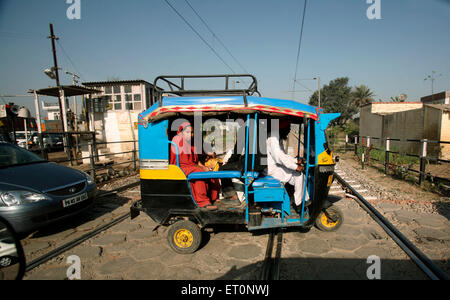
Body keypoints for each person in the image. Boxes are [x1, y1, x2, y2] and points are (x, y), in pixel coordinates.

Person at [170, 121, 220, 209]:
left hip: (191, 166)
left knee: (211, 172)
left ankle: (213, 198)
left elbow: (195, 161)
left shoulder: (191, 144)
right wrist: (201, 168)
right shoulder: (177, 139)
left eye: (192, 132)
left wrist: (204, 167)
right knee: (199, 172)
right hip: (180, 167)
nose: (190, 135)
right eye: (187, 132)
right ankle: (203, 202)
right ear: (181, 132)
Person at [266, 119, 309, 210]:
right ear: (281, 127)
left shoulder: (277, 137)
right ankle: (299, 203)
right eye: (288, 128)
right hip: (271, 169)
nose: (289, 131)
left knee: (300, 176)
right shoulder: (273, 137)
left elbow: (283, 155)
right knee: (298, 174)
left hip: (275, 166)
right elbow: (279, 157)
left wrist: (295, 161)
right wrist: (295, 166)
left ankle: (303, 200)